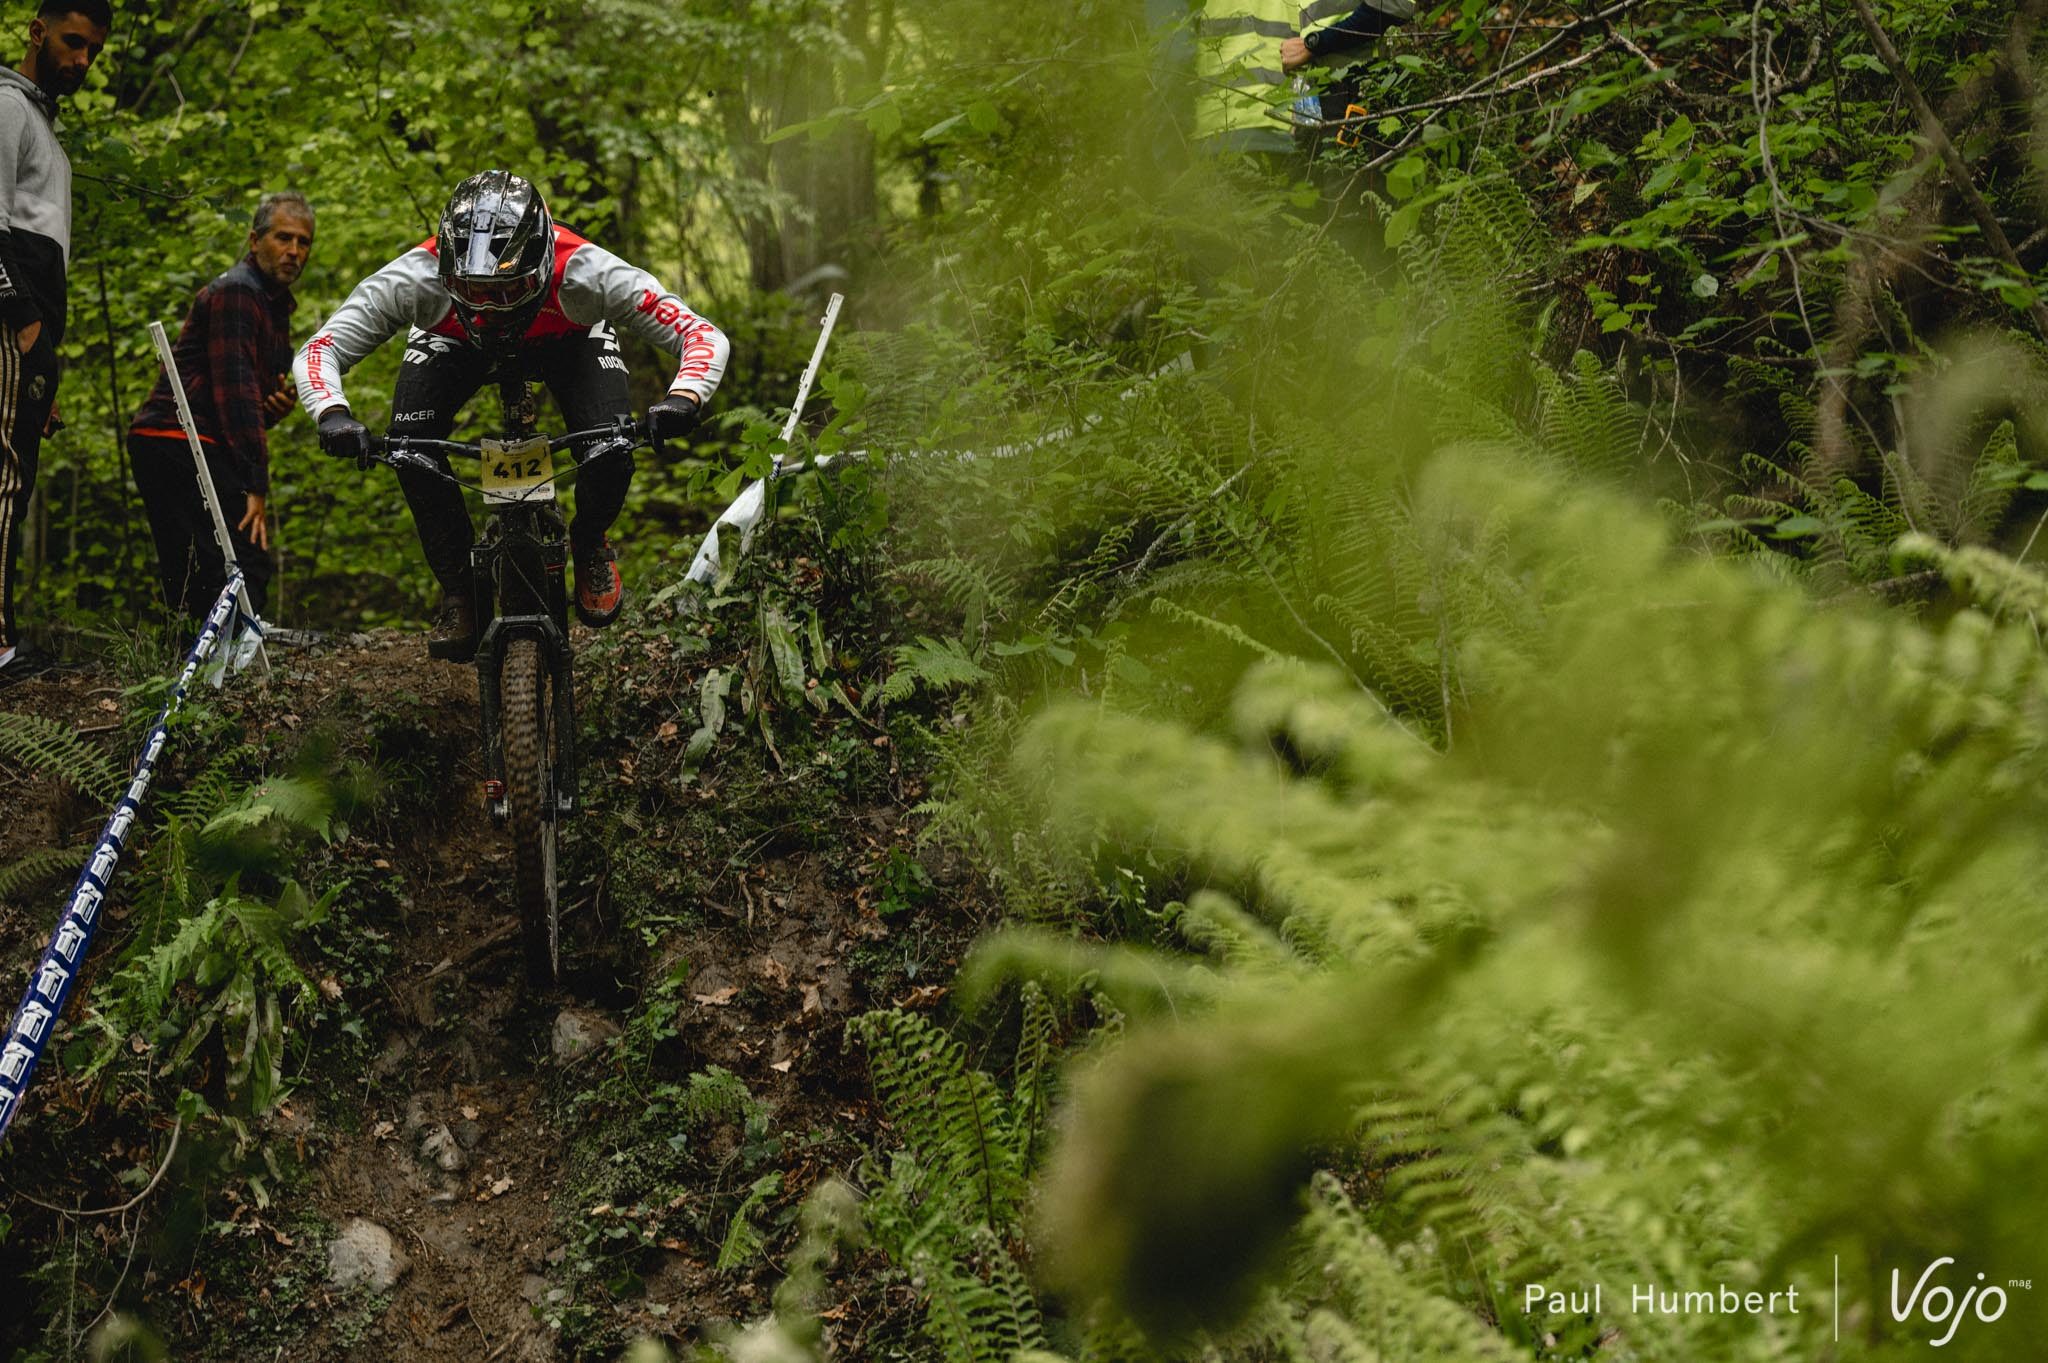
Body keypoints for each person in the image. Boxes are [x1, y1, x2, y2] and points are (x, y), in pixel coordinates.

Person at [294, 169, 728, 661]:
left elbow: (701, 334)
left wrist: (684, 398)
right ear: (446, 273)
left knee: (609, 445)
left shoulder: (588, 272)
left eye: (506, 290)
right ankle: (460, 590)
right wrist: (332, 412)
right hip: (454, 342)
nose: (488, 309)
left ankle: (590, 541)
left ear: (541, 266)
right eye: (470, 289)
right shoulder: (416, 277)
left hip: (568, 337)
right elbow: (322, 347)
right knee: (411, 450)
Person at [128, 192, 313, 621]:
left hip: (195, 438)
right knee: (235, 565)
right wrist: (255, 485)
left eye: (303, 242)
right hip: (176, 438)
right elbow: (236, 397)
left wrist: (272, 409)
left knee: (205, 571)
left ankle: (201, 654)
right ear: (255, 240)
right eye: (283, 237)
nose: (293, 251)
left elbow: (245, 397)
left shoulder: (273, 303)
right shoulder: (238, 292)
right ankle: (221, 656)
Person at [0, 0, 109, 685]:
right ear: (37, 31)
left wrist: (44, 364)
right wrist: (24, 322)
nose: (82, 60)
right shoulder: (7, 106)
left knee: (15, 479)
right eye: (72, 42)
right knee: (5, 479)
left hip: (28, 338)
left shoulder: (41, 124)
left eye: (92, 50)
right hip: (12, 324)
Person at [1179, 0, 1411, 154]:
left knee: (1353, 206)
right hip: (1306, 110)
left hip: (1358, 90)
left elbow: (1395, 5)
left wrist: (1315, 44)